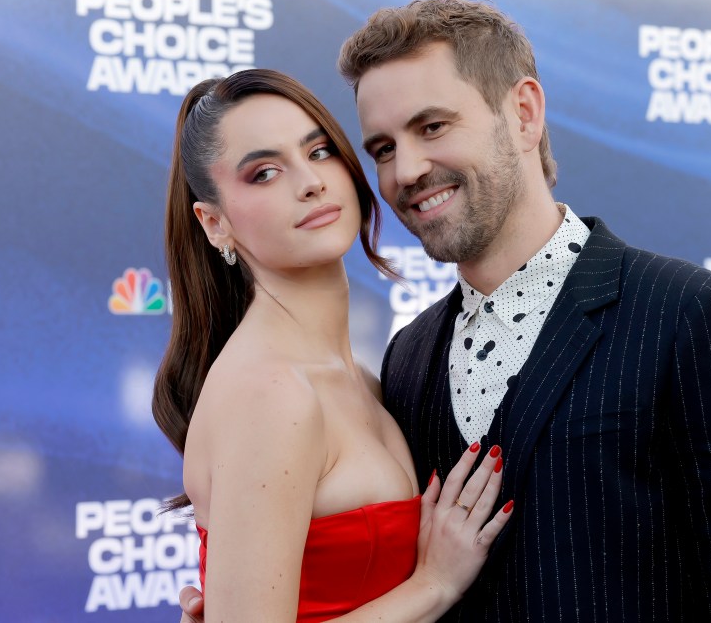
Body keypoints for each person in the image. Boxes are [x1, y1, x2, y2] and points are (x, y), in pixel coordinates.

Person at [181, 0, 711, 621]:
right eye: (382, 149)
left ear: (523, 113)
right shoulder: (408, 358)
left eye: (433, 127)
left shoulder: (693, 318)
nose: (407, 169)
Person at [153, 68, 514, 622]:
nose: (310, 182)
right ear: (215, 223)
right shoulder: (270, 392)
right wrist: (435, 584)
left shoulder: (362, 378)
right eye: (264, 173)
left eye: (319, 152)